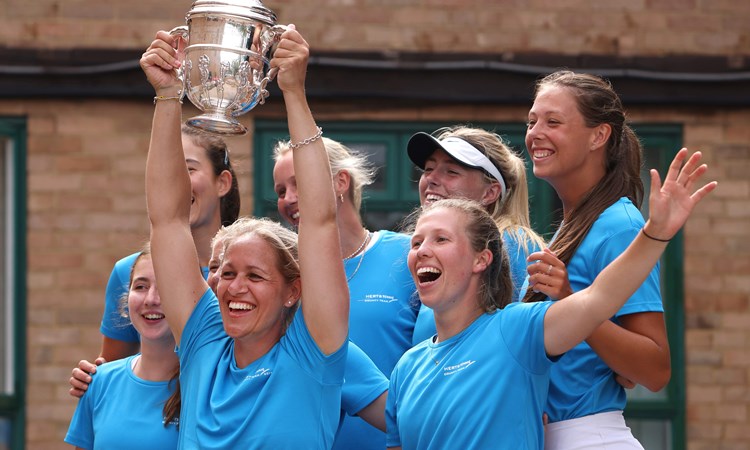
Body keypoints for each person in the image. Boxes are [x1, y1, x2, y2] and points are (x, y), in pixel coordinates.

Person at [385, 149, 716, 449]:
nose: (423, 250)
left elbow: (598, 299)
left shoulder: (517, 329)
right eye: (415, 244)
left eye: (441, 239)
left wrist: (656, 233)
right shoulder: (406, 369)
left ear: (481, 260)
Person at [142, 23, 349, 448]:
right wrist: (166, 96)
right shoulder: (205, 338)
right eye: (227, 272)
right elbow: (167, 219)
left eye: (255, 276)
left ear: (293, 291)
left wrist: (294, 92)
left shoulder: (314, 352)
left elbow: (319, 220)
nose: (234, 286)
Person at [523, 70, 676, 448]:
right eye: (532, 121)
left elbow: (654, 369)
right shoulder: (571, 228)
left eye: (553, 122)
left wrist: (572, 301)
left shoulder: (619, 225)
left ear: (599, 135)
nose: (535, 133)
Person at [69, 126, 239, 396]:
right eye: (170, 171)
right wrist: (93, 380)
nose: (178, 182)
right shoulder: (129, 272)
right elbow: (115, 369)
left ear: (223, 182)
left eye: (189, 170)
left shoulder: (247, 275)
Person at [273, 136, 415, 449]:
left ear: (341, 182)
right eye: (281, 191)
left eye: (299, 183)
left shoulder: (406, 255)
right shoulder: (286, 277)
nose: (289, 198)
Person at [406, 125, 545, 344]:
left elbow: (527, 344)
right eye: (428, 169)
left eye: (451, 171)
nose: (431, 179)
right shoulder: (423, 252)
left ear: (490, 192)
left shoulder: (515, 244)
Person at [65, 245, 180, 449]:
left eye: (165, 286)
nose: (151, 299)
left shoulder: (205, 386)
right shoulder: (99, 381)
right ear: (125, 303)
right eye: (140, 287)